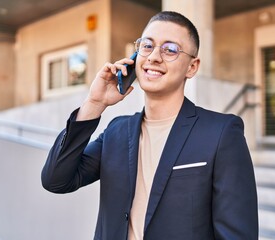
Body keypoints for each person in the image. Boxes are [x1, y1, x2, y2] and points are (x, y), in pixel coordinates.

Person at [41, 11, 258, 240]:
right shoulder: (117, 132)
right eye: (147, 46)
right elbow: (56, 180)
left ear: (192, 67)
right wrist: (94, 104)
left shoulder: (221, 133)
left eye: (170, 49)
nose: (154, 56)